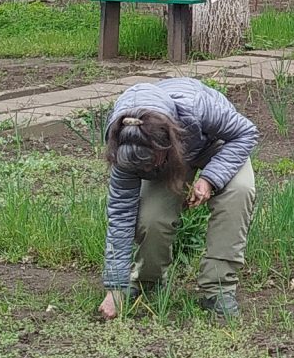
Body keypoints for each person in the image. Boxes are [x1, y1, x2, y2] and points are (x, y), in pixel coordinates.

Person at [95, 77, 261, 321]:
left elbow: (245, 133)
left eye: (148, 166)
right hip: (163, 158)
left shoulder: (198, 106)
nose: (145, 172)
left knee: (240, 191)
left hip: (217, 144)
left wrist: (210, 179)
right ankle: (148, 281)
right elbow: (120, 216)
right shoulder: (124, 141)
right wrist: (115, 288)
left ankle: (217, 289)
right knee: (152, 217)